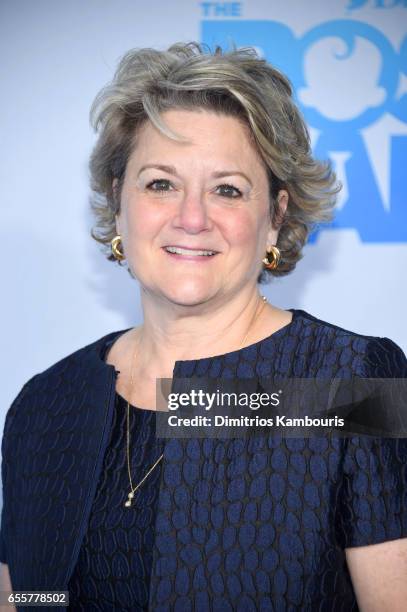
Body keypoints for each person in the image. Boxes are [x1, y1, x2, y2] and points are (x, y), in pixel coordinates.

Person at [1, 41, 406, 612]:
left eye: (227, 189)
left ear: (276, 218)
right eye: (161, 183)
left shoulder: (350, 385)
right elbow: (31, 596)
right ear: (119, 201)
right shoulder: (48, 404)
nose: (192, 218)